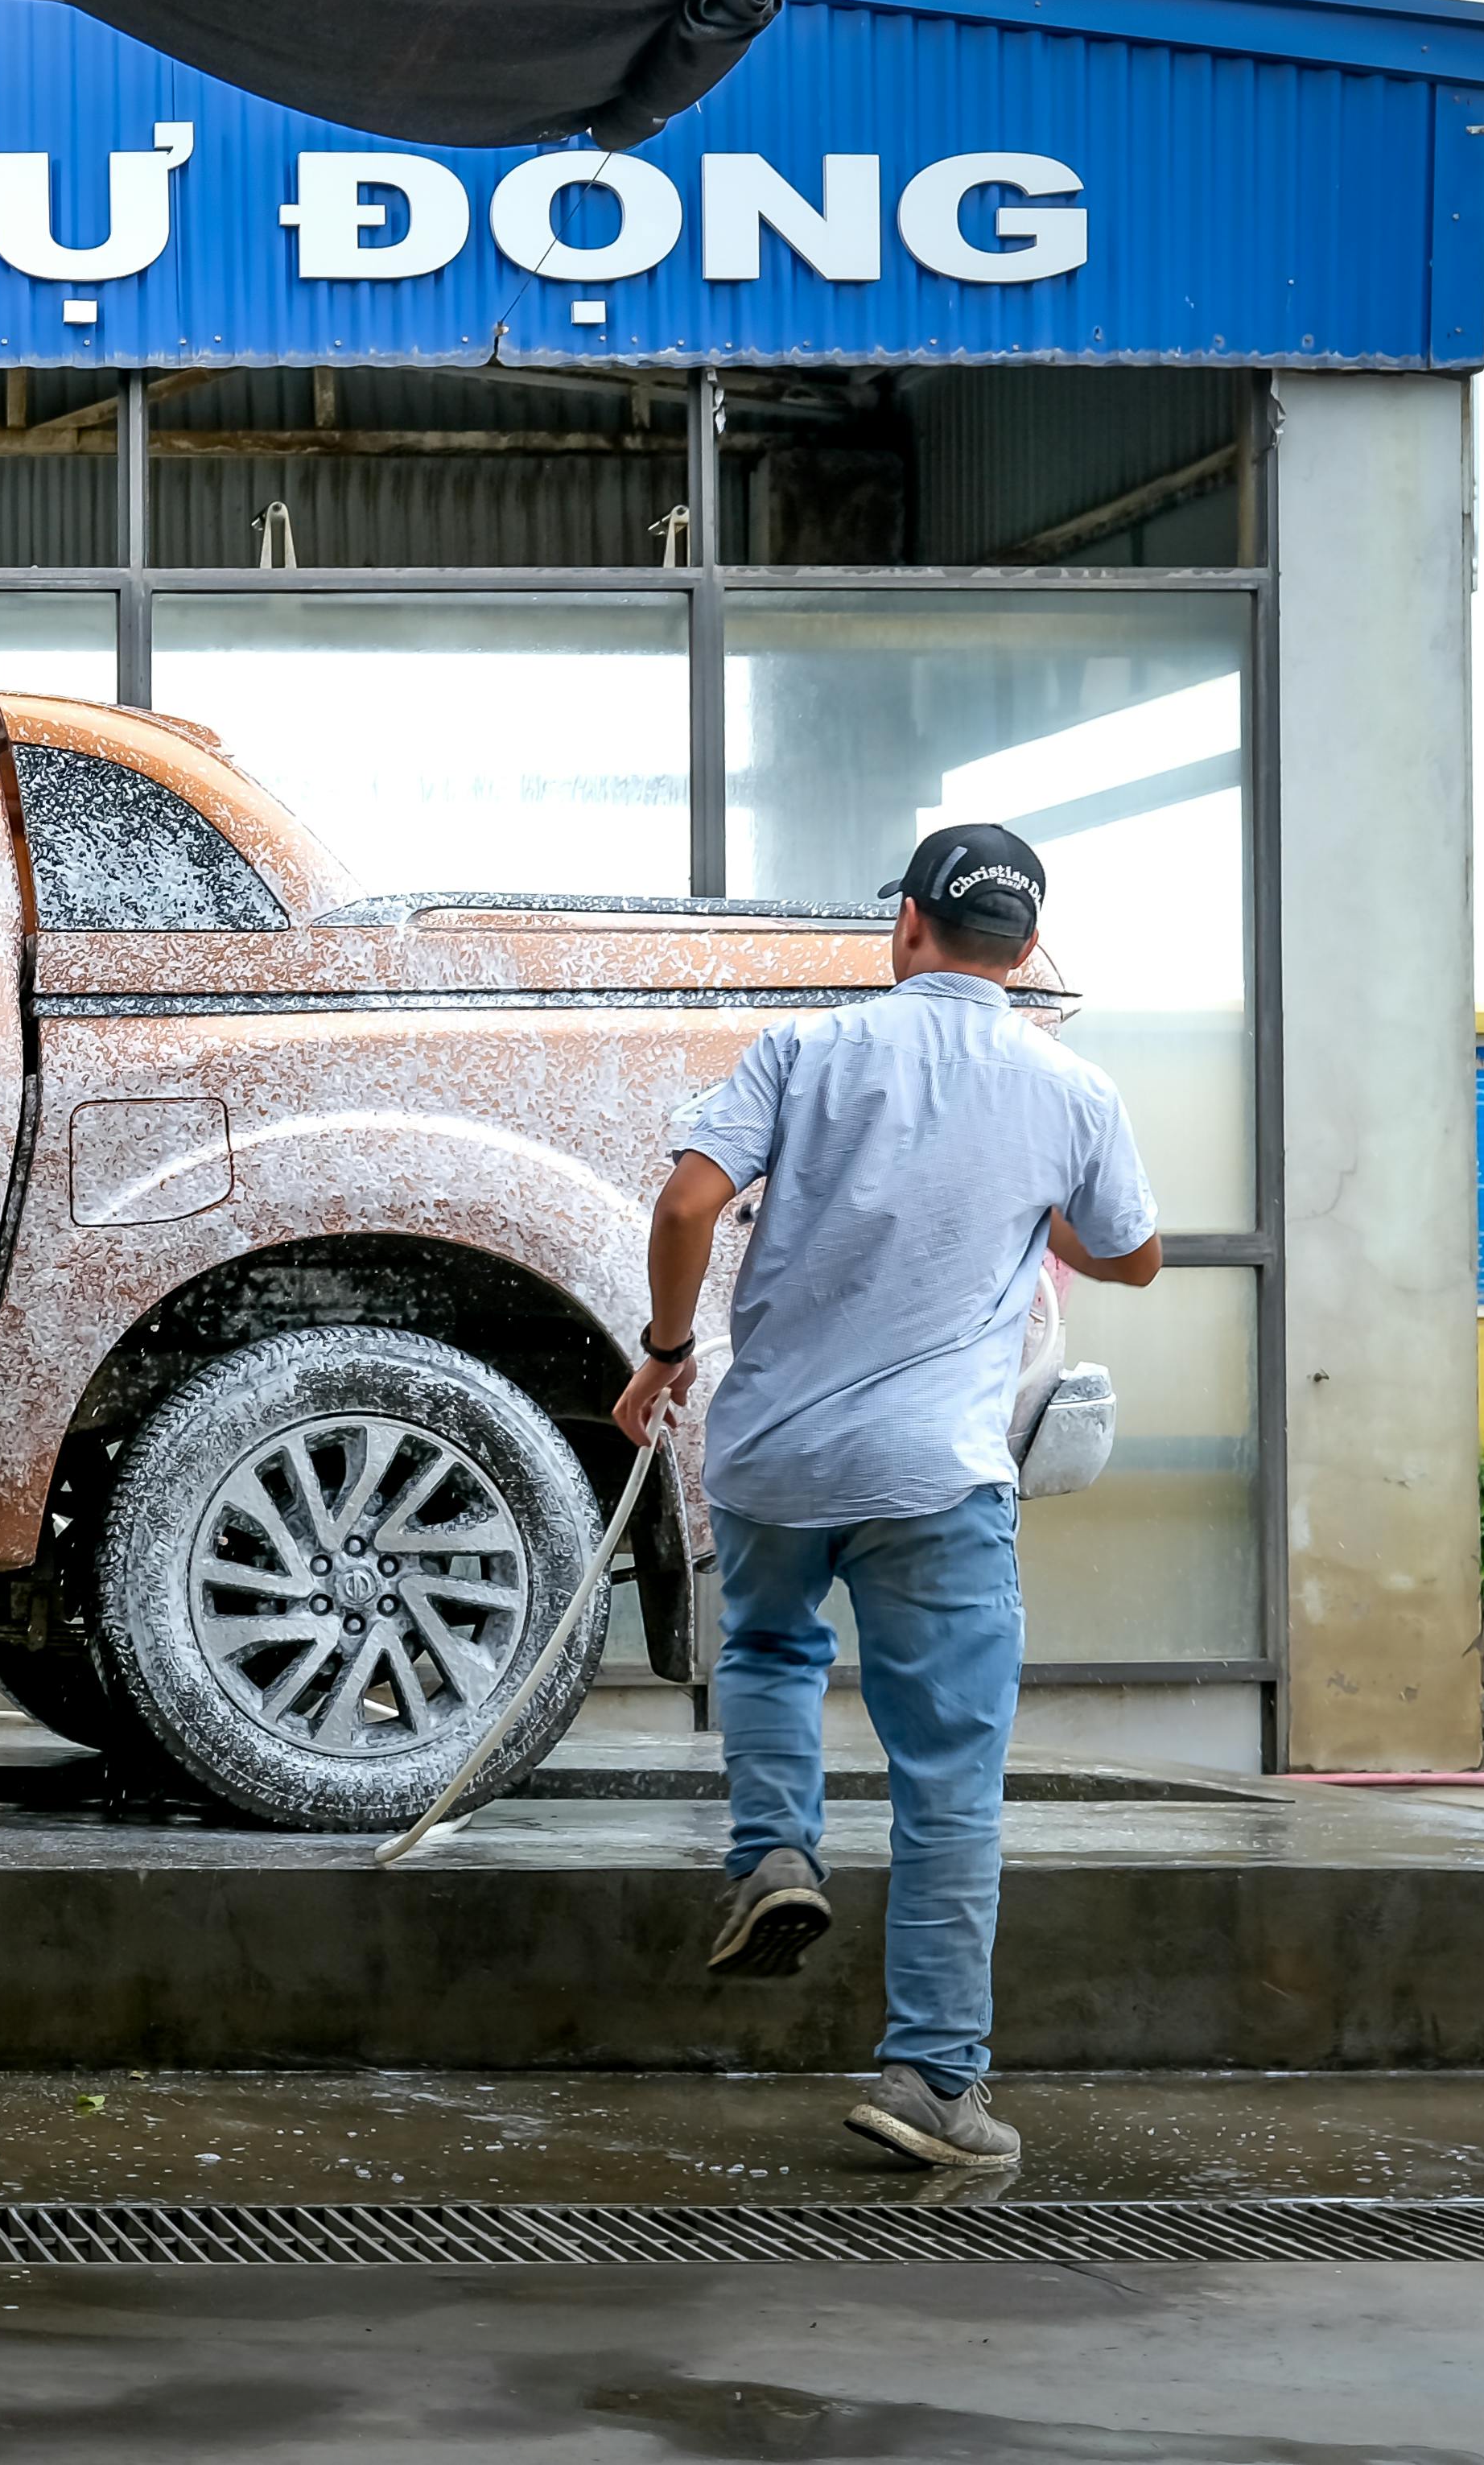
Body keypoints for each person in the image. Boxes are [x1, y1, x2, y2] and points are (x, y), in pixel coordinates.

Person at [606, 822, 1159, 2172]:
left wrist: (665, 1353)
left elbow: (685, 1210)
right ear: (1023, 950)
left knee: (773, 1648)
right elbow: (1132, 1255)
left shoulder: (805, 1054)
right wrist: (1036, 1211)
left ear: (904, 926)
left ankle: (773, 1855)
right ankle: (929, 2084)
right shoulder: (1068, 1088)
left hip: (776, 1459)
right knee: (947, 1786)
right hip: (938, 1477)